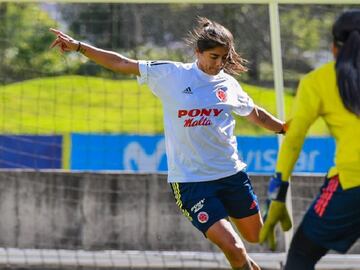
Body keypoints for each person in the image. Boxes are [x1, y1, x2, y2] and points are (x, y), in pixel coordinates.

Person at [50, 17, 287, 270]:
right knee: (234, 248)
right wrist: (78, 46)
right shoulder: (171, 74)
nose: (219, 64)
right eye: (213, 57)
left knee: (254, 237)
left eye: (224, 58)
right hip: (192, 183)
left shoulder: (228, 84)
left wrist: (284, 128)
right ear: (198, 52)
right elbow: (121, 63)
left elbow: (256, 114)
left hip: (232, 174)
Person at [259, 9, 360, 270]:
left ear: (334, 47)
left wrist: (276, 195)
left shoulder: (319, 81)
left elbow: (293, 140)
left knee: (301, 255)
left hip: (352, 184)